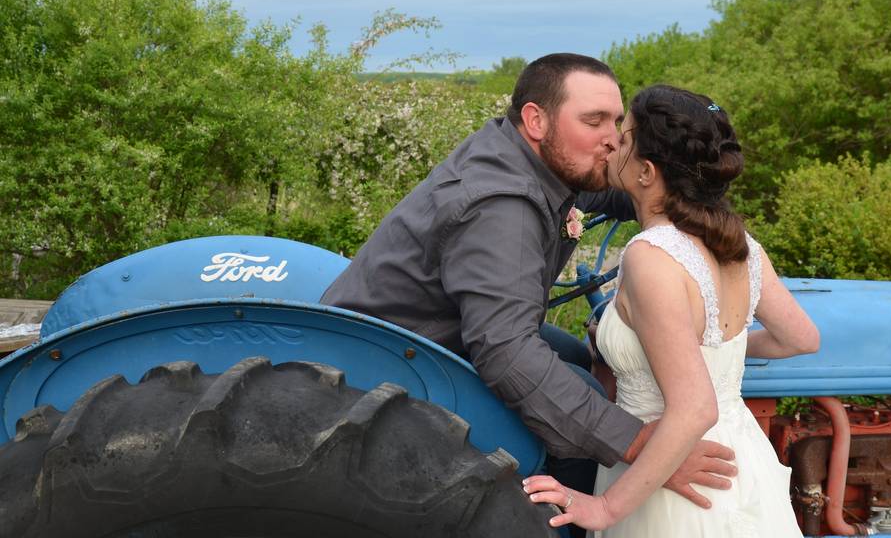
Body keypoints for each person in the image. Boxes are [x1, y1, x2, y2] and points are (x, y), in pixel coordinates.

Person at [321, 56, 737, 538]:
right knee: (581, 396)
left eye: (618, 121)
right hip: (398, 357)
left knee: (574, 354)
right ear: (537, 120)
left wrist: (680, 180)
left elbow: (610, 192)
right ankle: (567, 518)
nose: (612, 137)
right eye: (594, 121)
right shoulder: (503, 205)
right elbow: (505, 350)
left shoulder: (528, 154)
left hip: (441, 326)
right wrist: (640, 443)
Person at [523, 84, 820, 536]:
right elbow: (801, 338)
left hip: (673, 484)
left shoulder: (650, 256)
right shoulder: (742, 247)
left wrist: (605, 508)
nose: (611, 144)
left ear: (645, 172)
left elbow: (695, 408)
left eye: (623, 138)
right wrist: (713, 351)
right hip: (741, 464)